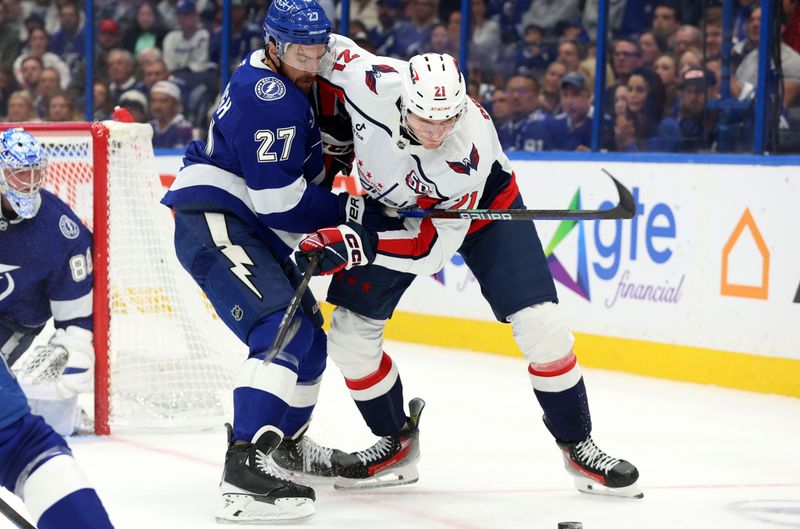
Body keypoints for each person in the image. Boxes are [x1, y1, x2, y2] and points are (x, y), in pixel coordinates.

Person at [282, 37, 643, 499]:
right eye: (425, 120)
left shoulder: (463, 155)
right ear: (402, 101)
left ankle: (579, 445)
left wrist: (355, 245)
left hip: (478, 213)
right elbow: (312, 42)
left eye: (447, 119)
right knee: (351, 338)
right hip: (381, 205)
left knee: (543, 326)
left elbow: (427, 248)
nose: (436, 131)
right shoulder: (369, 78)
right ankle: (397, 444)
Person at [160, 0, 398, 523]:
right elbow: (280, 203)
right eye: (298, 51)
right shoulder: (271, 99)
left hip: (249, 225)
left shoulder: (283, 77)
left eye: (318, 50)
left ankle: (283, 448)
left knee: (310, 345)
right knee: (280, 330)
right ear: (274, 46)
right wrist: (356, 212)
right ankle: (244, 467)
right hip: (216, 217)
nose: (311, 62)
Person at [0, 128, 115, 529]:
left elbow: (75, 315)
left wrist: (78, 347)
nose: (29, 183)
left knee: (16, 437)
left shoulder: (60, 228)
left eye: (35, 173)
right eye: (18, 174)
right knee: (18, 441)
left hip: (13, 321)